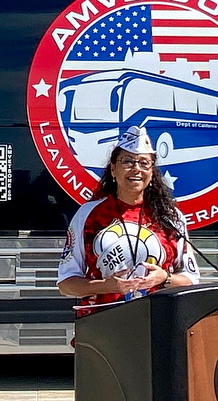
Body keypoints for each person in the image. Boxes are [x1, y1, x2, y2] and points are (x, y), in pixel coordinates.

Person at [58, 125, 199, 314]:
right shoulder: (88, 216)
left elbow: (191, 279)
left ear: (151, 172)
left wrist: (164, 279)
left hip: (159, 320)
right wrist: (105, 286)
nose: (136, 169)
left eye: (144, 163)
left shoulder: (170, 216)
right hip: (102, 322)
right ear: (113, 169)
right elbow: (66, 284)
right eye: (127, 162)